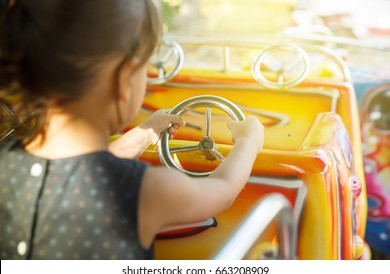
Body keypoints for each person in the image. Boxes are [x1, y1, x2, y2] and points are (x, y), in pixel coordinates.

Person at [0, 0, 264, 260]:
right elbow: (223, 190)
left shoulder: (5, 164)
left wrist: (143, 135)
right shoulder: (143, 191)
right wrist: (248, 141)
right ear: (124, 79)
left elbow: (69, 171)